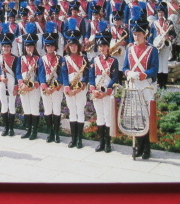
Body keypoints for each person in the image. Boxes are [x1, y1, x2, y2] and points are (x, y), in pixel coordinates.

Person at [123, 17, 159, 159]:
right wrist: (128, 73)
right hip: (133, 85)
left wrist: (143, 75)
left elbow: (155, 69)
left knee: (146, 116)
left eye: (139, 34)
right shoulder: (129, 49)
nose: (136, 36)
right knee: (136, 117)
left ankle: (147, 148)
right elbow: (125, 67)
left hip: (146, 86)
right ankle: (138, 146)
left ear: (145, 34)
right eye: (135, 34)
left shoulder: (152, 50)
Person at [88, 23, 119, 153]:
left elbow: (115, 78)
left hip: (106, 91)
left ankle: (108, 143)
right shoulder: (94, 60)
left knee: (107, 116)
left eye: (104, 46)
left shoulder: (113, 61)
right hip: (96, 91)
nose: (102, 48)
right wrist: (93, 89)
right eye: (100, 46)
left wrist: (106, 91)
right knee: (100, 116)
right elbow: (90, 76)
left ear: (108, 47)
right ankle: (101, 142)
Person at [61, 18, 89, 149]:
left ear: (78, 45)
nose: (73, 47)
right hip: (69, 87)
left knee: (80, 111)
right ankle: (73, 138)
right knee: (72, 111)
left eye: (75, 45)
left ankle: (80, 139)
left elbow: (87, 74)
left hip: (81, 87)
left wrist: (81, 86)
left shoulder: (84, 58)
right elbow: (64, 74)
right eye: (70, 45)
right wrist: (67, 87)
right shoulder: (65, 59)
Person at [38, 21, 64, 143]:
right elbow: (40, 74)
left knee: (57, 110)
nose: (50, 48)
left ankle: (57, 133)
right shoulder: (41, 59)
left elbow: (62, 74)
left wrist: (56, 86)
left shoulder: (60, 58)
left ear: (55, 47)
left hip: (56, 87)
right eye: (48, 46)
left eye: (52, 46)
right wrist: (44, 86)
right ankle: (50, 132)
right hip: (45, 88)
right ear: (45, 47)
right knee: (48, 110)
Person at [16, 22, 41, 140]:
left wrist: (33, 85)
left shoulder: (38, 59)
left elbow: (41, 74)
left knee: (34, 107)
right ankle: (28, 130)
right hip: (23, 86)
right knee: (26, 107)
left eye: (31, 46)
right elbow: (17, 72)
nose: (29, 48)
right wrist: (21, 83)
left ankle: (34, 131)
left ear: (34, 47)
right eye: (27, 46)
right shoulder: (21, 58)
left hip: (34, 86)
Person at [0, 23, 19, 136]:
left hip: (12, 83)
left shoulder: (15, 58)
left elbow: (18, 73)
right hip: (2, 83)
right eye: (4, 46)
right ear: (1, 47)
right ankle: (5, 127)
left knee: (12, 105)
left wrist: (16, 86)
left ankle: (11, 128)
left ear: (10, 47)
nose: (6, 48)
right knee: (4, 105)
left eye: (8, 46)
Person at [150, 4, 175, 89]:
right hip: (157, 43)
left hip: (166, 43)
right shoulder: (154, 23)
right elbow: (151, 35)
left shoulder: (169, 22)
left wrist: (169, 38)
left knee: (164, 62)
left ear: (164, 13)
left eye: (161, 12)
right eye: (159, 12)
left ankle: (164, 83)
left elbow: (173, 34)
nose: (160, 14)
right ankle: (160, 82)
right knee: (159, 63)